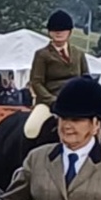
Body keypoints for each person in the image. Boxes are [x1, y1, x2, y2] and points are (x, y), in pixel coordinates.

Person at [25, 10, 88, 139]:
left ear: (69, 31)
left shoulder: (78, 53)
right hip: (49, 102)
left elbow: (86, 77)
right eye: (54, 30)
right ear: (49, 32)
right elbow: (36, 82)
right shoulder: (42, 54)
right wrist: (52, 100)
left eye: (62, 30)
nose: (58, 32)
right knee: (31, 129)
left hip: (76, 101)